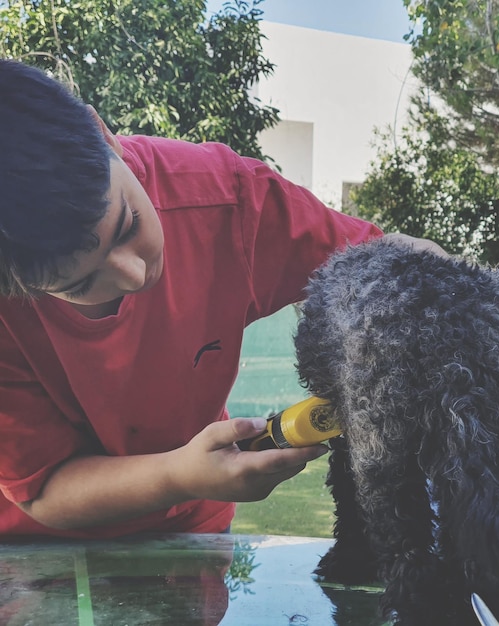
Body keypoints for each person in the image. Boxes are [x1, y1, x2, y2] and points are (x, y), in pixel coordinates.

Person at [0, 60, 444, 539]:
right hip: (37, 551)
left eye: (128, 225)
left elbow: (383, 261)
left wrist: (448, 292)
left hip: (192, 529)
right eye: (79, 285)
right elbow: (42, 489)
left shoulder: (223, 198)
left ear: (101, 133)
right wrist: (177, 475)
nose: (134, 275)